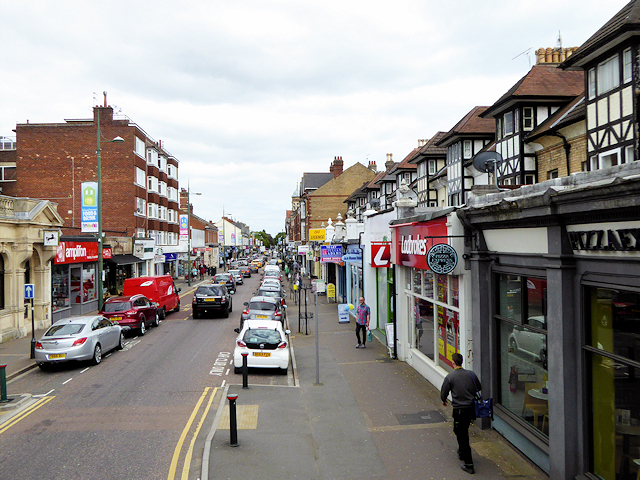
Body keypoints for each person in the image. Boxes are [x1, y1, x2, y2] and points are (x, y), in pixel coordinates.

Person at [440, 353, 480, 475]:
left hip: (459, 410)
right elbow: (478, 387)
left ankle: (469, 464)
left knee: (461, 434)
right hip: (471, 409)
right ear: (462, 362)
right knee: (461, 430)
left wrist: (444, 400)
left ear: (453, 362)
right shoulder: (471, 374)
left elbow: (443, 393)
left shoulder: (450, 377)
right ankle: (462, 452)